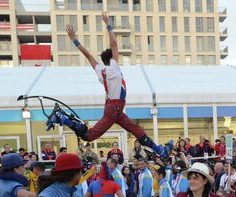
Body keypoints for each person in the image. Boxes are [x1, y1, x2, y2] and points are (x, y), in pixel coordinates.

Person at [47, 13, 171, 161]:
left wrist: (74, 39)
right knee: (89, 135)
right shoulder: (113, 67)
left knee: (136, 129)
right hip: (114, 108)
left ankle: (160, 150)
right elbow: (113, 44)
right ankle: (62, 118)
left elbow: (89, 57)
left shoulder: (102, 70)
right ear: (112, 58)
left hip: (115, 108)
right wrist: (108, 24)